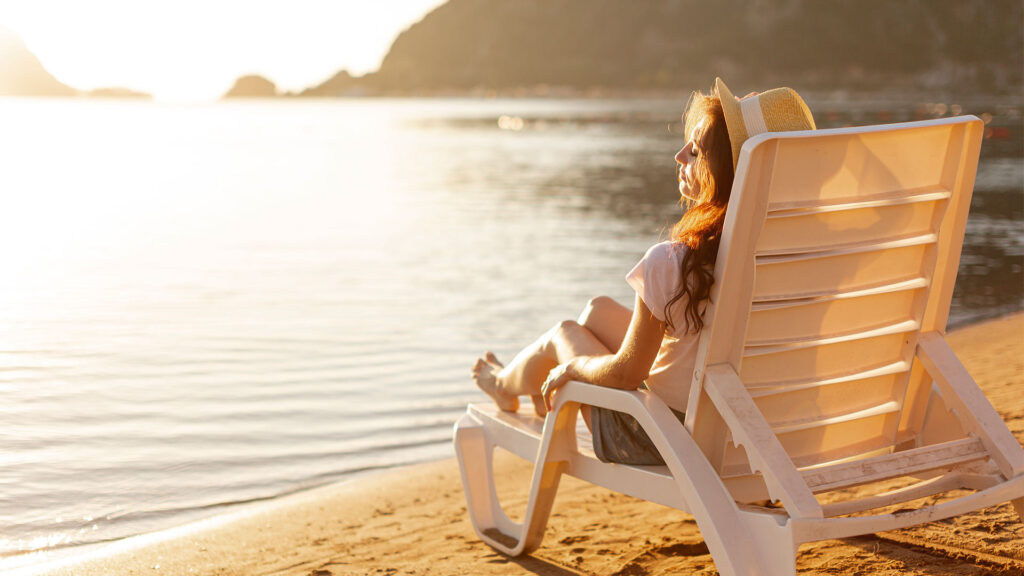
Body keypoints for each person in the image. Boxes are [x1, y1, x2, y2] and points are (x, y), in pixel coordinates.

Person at [472, 78, 815, 465]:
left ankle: (504, 385)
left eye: (697, 150)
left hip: (667, 438)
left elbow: (624, 376)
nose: (679, 155)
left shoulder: (675, 263)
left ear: (728, 171)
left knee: (566, 335)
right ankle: (522, 382)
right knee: (596, 311)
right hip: (764, 430)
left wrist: (572, 368)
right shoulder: (800, 255)